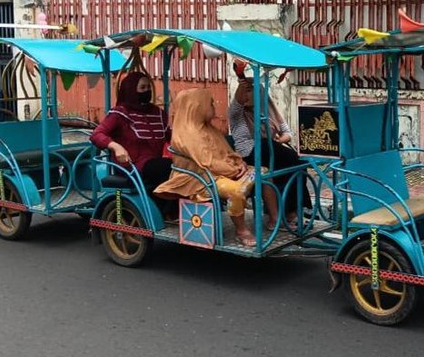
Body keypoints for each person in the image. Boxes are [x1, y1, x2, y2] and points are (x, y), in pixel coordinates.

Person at [154, 88, 278, 247]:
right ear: (197, 106)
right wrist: (234, 170)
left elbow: (227, 152)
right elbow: (208, 163)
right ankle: (241, 231)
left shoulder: (208, 129)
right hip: (201, 179)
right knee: (236, 191)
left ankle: (275, 219)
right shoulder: (188, 134)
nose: (213, 106)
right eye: (210, 103)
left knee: (264, 173)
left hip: (222, 172)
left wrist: (240, 163)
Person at [228, 75, 311, 228]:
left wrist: (281, 140)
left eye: (251, 91)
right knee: (284, 155)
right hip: (249, 154)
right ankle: (286, 214)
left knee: (298, 164)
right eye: (246, 91)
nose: (247, 95)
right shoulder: (237, 113)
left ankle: (291, 211)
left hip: (272, 151)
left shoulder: (267, 110)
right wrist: (242, 83)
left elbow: (287, 132)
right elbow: (239, 100)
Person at [90, 71, 172, 197]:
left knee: (178, 167)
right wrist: (116, 147)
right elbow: (97, 134)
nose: (147, 90)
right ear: (131, 90)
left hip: (154, 164)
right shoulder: (120, 113)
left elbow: (171, 136)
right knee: (165, 167)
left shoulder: (158, 113)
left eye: (149, 87)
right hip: (131, 167)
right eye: (142, 88)